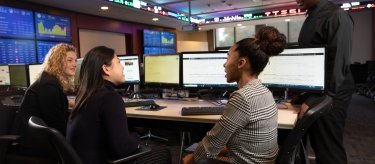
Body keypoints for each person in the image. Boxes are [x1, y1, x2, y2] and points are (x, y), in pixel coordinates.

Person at [183, 26, 286, 164]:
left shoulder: (243, 97)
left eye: (228, 57)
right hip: (264, 160)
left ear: (241, 63)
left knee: (195, 159)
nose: (224, 64)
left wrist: (191, 159)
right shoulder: (263, 91)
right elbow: (247, 140)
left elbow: (214, 141)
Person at [67, 46, 171, 164]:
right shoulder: (109, 98)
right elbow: (122, 149)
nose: (122, 67)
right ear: (106, 69)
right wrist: (137, 137)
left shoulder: (86, 95)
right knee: (163, 152)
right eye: (118, 62)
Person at [296, 0, 355, 163]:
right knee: (315, 143)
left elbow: (337, 63)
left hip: (332, 90)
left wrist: (319, 99)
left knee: (327, 148)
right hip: (318, 89)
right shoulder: (313, 14)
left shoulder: (336, 15)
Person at [15, 43, 77, 157]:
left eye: (75, 60)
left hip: (38, 139)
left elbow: (51, 107)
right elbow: (57, 124)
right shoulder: (48, 86)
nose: (74, 64)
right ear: (58, 62)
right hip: (39, 146)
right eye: (69, 60)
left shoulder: (48, 80)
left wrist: (68, 103)